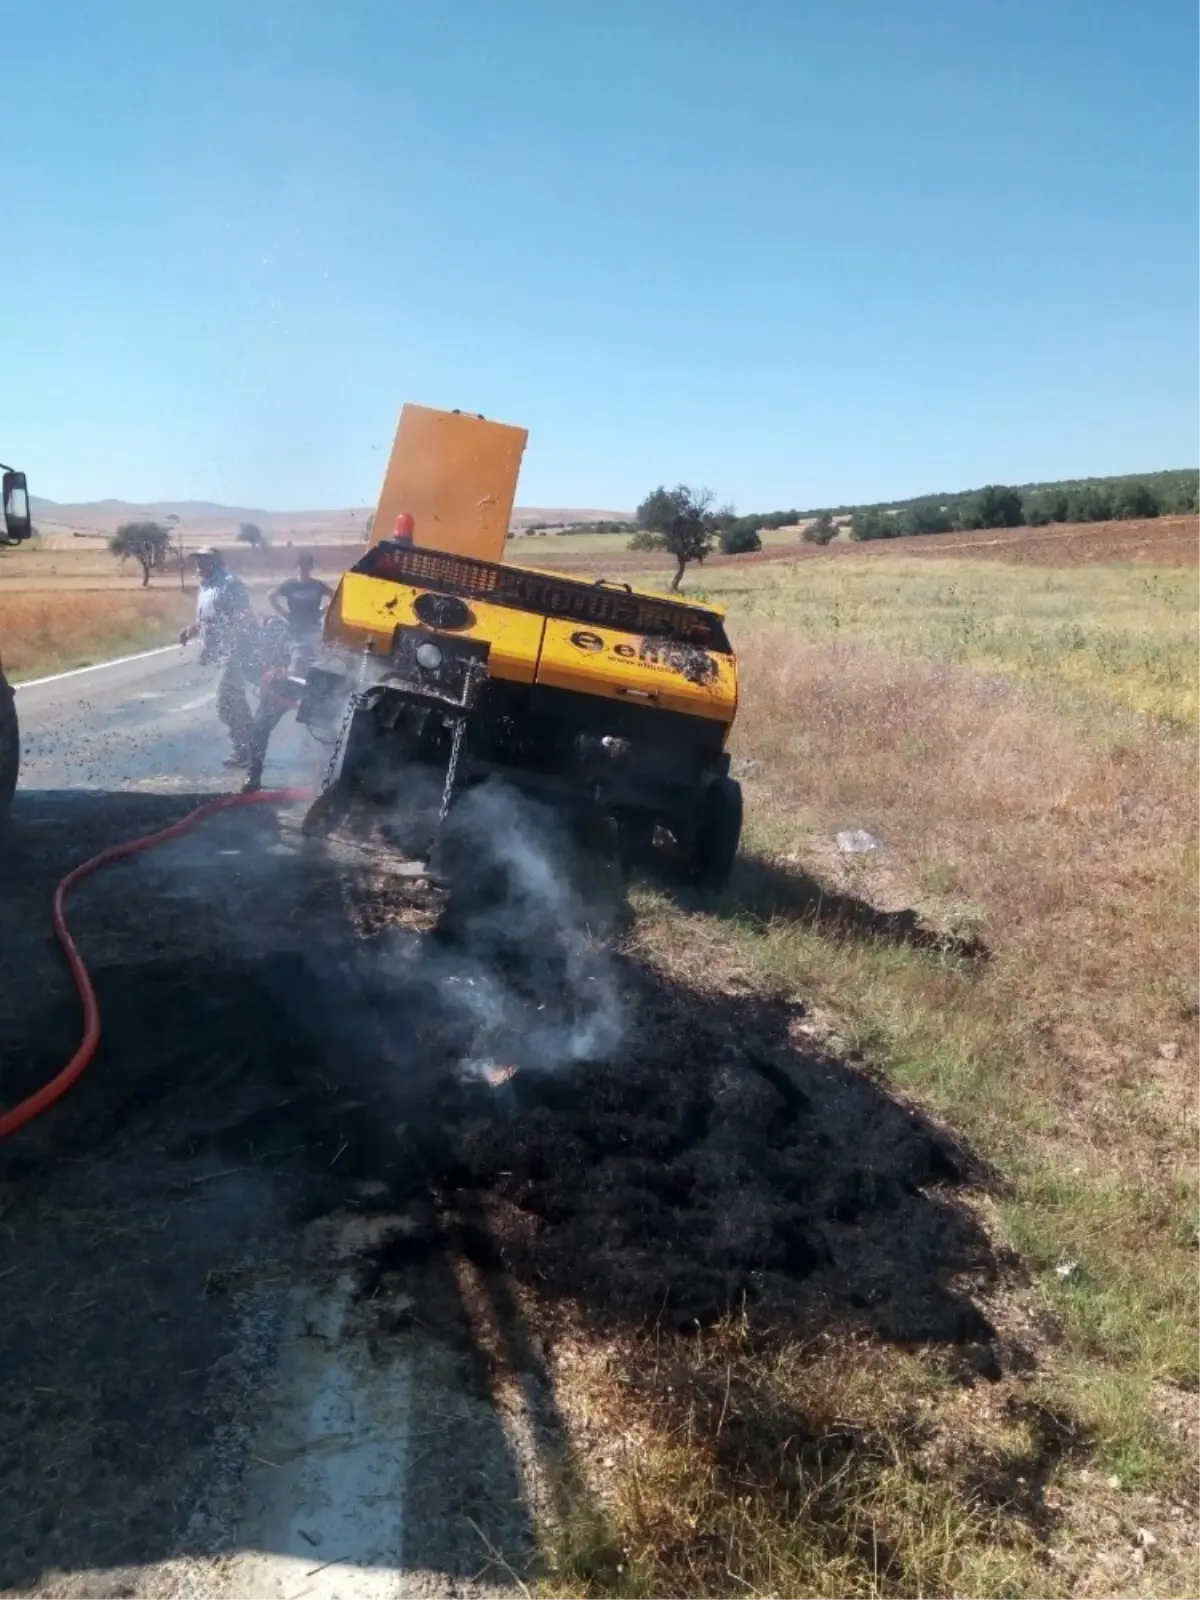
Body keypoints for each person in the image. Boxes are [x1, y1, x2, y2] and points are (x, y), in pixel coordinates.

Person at [179, 546, 257, 769]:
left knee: (226, 700)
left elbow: (244, 616)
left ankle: (245, 748)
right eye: (197, 560)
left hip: (234, 652)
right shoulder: (205, 586)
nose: (198, 565)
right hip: (218, 652)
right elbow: (205, 618)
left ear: (214, 562)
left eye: (203, 561)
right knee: (235, 702)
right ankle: (251, 746)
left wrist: (240, 643)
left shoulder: (230, 584)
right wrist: (191, 630)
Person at [267, 553, 333, 640]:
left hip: (313, 625)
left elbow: (335, 596)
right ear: (297, 566)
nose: (303, 569)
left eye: (306, 566)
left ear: (311, 568)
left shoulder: (317, 585)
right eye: (301, 565)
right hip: (295, 626)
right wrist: (285, 614)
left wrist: (323, 611)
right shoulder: (289, 585)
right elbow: (271, 595)